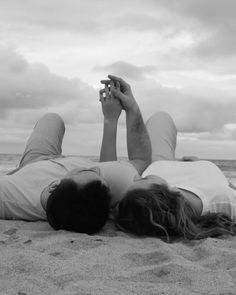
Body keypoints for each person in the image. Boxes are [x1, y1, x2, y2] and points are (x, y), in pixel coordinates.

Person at [0, 75, 151, 234]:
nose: (96, 168)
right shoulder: (93, 196)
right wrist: (127, 110)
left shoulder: (9, 197)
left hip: (34, 162)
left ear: (53, 184)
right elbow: (141, 159)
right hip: (50, 165)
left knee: (50, 119)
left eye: (88, 170)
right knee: (53, 119)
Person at [114, 111, 236, 242]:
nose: (136, 177)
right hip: (168, 166)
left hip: (159, 163)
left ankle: (131, 107)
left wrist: (111, 120)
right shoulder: (224, 200)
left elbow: (107, 172)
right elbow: (229, 192)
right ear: (171, 192)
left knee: (160, 118)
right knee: (161, 117)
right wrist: (203, 165)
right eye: (144, 179)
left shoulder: (158, 194)